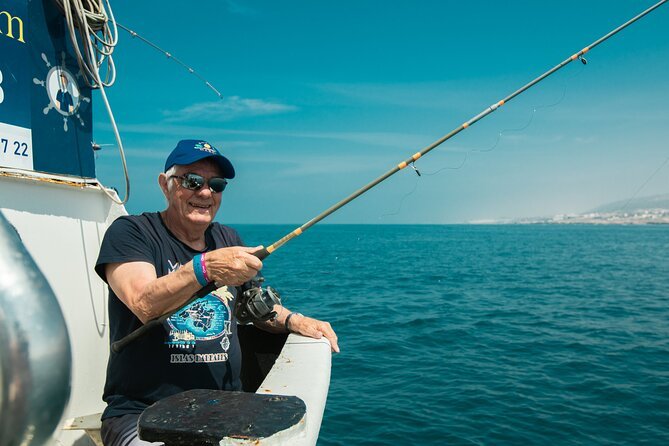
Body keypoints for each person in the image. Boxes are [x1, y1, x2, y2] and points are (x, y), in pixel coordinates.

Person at [95, 139, 339, 446]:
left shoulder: (227, 237)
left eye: (217, 184)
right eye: (192, 181)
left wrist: (296, 321)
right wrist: (205, 268)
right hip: (142, 415)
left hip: (224, 410)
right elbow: (143, 303)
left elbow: (254, 308)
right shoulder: (132, 232)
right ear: (165, 184)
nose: (206, 192)